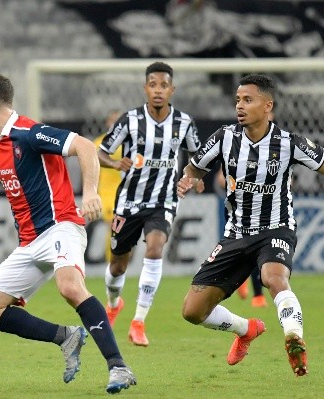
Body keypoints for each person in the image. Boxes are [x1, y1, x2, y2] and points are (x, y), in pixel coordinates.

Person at [177, 74, 324, 377]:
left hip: (276, 228)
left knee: (273, 277)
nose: (240, 106)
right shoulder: (223, 138)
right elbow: (194, 166)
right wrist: (190, 179)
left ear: (268, 106)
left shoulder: (289, 143)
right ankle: (246, 329)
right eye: (238, 100)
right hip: (236, 234)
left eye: (248, 100)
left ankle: (294, 337)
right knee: (192, 311)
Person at [0, 73, 136, 394]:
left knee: (70, 288)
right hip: (29, 241)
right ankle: (66, 336)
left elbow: (85, 146)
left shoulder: (30, 132)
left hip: (61, 226)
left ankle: (119, 367)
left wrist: (89, 193)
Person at [98, 62, 202, 347]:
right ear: (145, 88)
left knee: (155, 250)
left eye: (163, 85)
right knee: (118, 265)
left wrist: (194, 178)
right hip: (129, 202)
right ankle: (114, 302)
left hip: (164, 201)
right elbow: (101, 152)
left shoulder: (184, 123)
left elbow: (198, 158)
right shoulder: (129, 120)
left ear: (172, 89)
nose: (158, 90)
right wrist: (115, 162)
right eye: (153, 85)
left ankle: (139, 321)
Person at [216, 162, 267, 307]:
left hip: (259, 209)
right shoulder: (232, 146)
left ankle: (257, 295)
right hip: (235, 211)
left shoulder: (269, 150)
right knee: (238, 247)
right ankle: (244, 282)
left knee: (255, 249)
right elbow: (220, 179)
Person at [93, 109, 123, 263]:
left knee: (124, 231)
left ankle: (118, 262)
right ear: (107, 123)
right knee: (113, 227)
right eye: (113, 120)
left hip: (128, 192)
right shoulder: (99, 143)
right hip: (108, 193)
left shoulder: (131, 143)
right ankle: (111, 262)